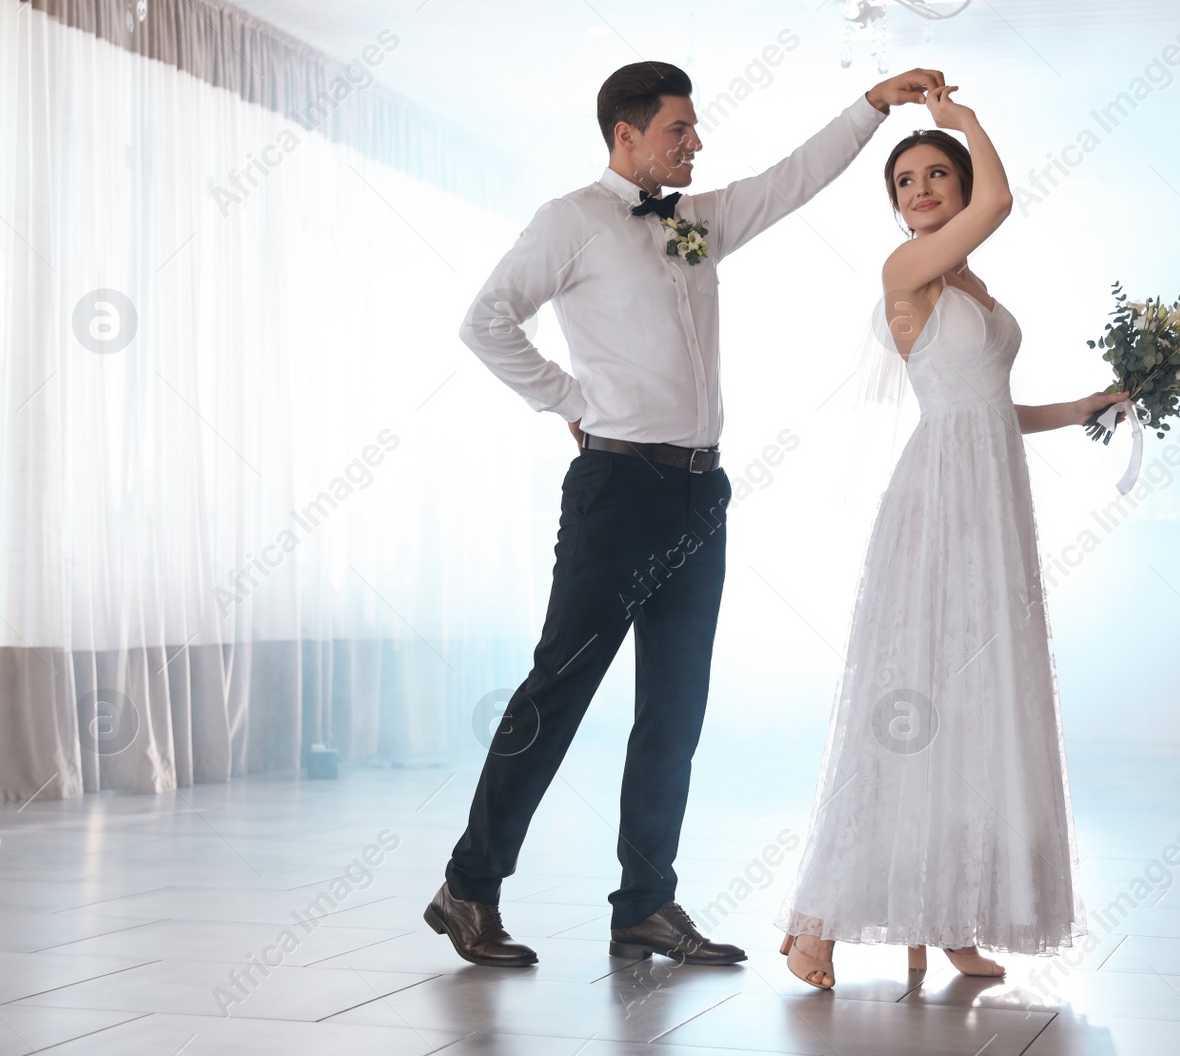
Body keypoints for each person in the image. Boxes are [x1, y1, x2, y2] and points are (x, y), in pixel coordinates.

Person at [429, 60, 948, 968]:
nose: (696, 143)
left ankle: (645, 904)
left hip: (700, 493)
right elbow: (487, 321)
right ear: (625, 136)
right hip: (617, 491)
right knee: (557, 693)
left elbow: (793, 179)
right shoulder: (572, 220)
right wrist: (569, 402)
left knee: (675, 708)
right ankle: (469, 888)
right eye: (679, 129)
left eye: (695, 129)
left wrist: (872, 107)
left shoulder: (694, 223)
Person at [774, 83, 1124, 988]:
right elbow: (1001, 202)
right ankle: (816, 920)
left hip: (992, 506)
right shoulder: (908, 276)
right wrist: (964, 120)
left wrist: (1091, 404)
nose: (921, 188)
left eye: (937, 174)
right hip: (937, 509)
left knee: (977, 708)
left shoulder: (970, 283)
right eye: (905, 180)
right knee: (912, 705)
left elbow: (992, 411)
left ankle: (956, 909)